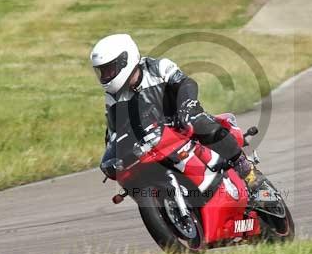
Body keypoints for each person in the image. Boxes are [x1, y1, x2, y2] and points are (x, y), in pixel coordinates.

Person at [90, 33, 260, 192]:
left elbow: (186, 83)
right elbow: (116, 130)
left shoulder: (157, 67)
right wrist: (113, 154)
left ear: (125, 61)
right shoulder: (113, 97)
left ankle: (243, 165)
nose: (106, 76)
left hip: (182, 119)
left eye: (109, 69)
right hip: (155, 139)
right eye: (102, 71)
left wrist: (186, 106)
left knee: (200, 123)